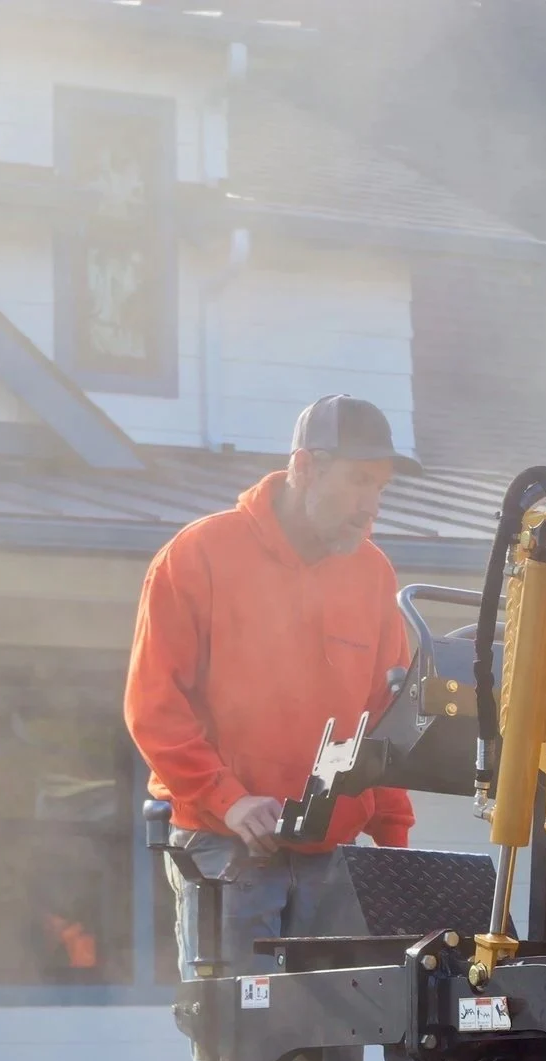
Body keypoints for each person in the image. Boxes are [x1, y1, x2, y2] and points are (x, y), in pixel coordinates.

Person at [125, 394, 419, 984]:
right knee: (241, 1049)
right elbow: (153, 704)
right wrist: (228, 798)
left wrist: (394, 848)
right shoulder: (197, 557)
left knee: (339, 1051)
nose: (371, 506)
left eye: (381, 487)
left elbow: (385, 719)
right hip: (226, 851)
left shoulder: (374, 574)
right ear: (305, 467)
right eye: (360, 481)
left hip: (335, 861)